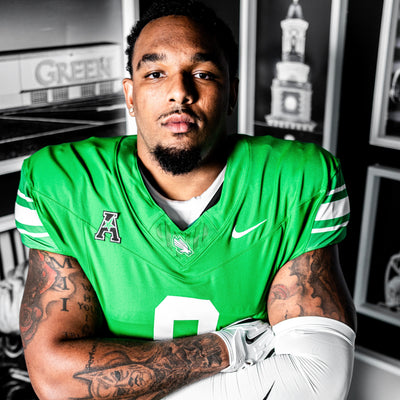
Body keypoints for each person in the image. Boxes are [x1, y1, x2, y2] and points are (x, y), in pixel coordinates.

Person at [15, 0, 357, 399]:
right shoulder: (65, 182)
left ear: (231, 93)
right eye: (155, 73)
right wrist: (233, 347)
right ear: (130, 94)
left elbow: (314, 382)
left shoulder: (296, 180)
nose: (179, 92)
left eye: (202, 74)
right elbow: (56, 382)